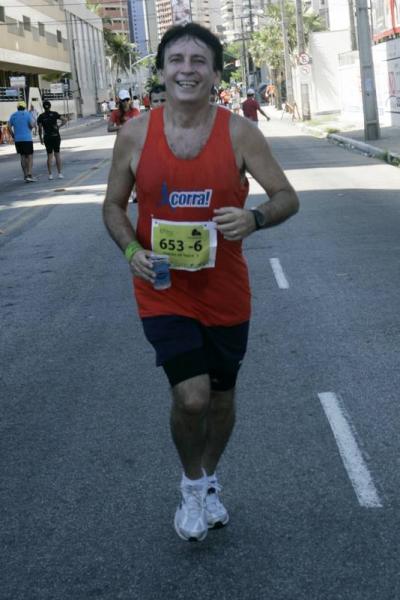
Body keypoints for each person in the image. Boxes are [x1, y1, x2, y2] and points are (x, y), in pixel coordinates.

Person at [103, 23, 299, 543]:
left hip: (225, 290)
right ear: (161, 71)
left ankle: (208, 480)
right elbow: (113, 206)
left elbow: (287, 197)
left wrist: (254, 218)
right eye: (176, 60)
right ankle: (192, 486)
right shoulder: (134, 135)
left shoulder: (240, 133)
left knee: (221, 398)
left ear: (214, 74)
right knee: (191, 397)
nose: (186, 69)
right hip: (162, 287)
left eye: (198, 61)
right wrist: (131, 250)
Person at [37, 100, 67, 180]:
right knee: (57, 155)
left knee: (49, 156)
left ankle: (50, 175)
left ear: (43, 107)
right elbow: (65, 120)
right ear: (50, 106)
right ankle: (60, 173)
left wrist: (40, 138)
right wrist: (59, 126)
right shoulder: (55, 114)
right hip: (56, 136)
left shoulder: (41, 116)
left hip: (47, 137)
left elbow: (39, 128)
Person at [8, 100, 36, 182]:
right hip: (27, 139)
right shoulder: (27, 114)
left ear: (17, 107)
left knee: (23, 156)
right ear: (24, 107)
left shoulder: (13, 115)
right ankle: (29, 174)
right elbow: (31, 125)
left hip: (18, 139)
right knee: (30, 156)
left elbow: (8, 126)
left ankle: (25, 175)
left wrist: (13, 135)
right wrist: (32, 126)